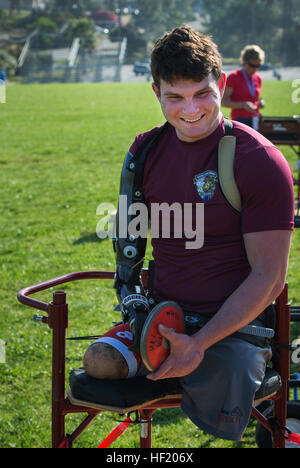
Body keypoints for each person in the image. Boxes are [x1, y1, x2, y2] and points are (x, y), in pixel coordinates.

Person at [83, 26, 294, 442]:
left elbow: (269, 278)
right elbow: (128, 246)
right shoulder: (144, 152)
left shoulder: (259, 160)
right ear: (155, 92)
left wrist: (198, 343)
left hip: (235, 328)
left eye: (203, 93)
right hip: (164, 322)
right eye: (174, 97)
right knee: (99, 361)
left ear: (221, 84)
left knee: (227, 378)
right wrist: (139, 312)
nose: (191, 109)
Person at [221, 45, 265, 129]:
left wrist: (259, 103)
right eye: (252, 65)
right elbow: (223, 102)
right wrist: (243, 105)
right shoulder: (234, 77)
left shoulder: (258, 79)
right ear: (244, 62)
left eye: (258, 66)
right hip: (240, 120)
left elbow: (254, 98)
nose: (255, 69)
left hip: (255, 118)